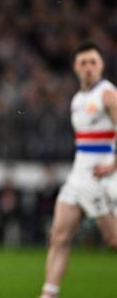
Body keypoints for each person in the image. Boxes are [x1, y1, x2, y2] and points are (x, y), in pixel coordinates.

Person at [39, 43, 117, 298]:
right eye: (83, 62)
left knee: (113, 240)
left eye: (93, 62)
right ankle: (49, 294)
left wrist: (113, 165)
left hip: (100, 177)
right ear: (75, 67)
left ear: (101, 66)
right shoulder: (78, 99)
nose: (88, 67)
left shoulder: (108, 94)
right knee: (59, 236)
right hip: (78, 176)